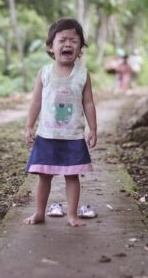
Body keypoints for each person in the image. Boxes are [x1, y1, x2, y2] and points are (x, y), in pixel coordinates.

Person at [24, 18, 97, 227]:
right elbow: (36, 101)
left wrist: (93, 128)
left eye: (74, 41)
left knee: (72, 176)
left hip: (73, 136)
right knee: (44, 177)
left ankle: (72, 215)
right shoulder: (44, 73)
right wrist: (29, 126)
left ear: (80, 48)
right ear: (51, 47)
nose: (68, 44)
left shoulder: (83, 75)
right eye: (62, 40)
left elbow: (89, 103)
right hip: (47, 135)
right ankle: (39, 213)